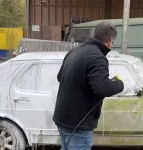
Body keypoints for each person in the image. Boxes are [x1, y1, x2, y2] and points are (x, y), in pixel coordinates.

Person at [53, 22, 124, 150]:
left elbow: (60, 77)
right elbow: (102, 88)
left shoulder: (75, 51)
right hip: (78, 125)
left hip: (62, 118)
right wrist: (119, 84)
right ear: (109, 42)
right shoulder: (98, 57)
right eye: (112, 43)